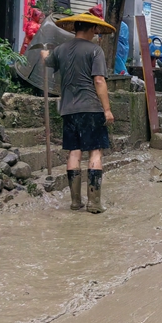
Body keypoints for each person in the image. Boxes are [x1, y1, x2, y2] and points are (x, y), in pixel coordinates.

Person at [42, 12, 116, 213]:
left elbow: (47, 60)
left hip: (68, 110)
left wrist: (44, 55)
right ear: (92, 29)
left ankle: (75, 201)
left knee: (74, 151)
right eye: (96, 29)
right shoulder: (95, 51)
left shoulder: (60, 50)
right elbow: (99, 80)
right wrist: (107, 110)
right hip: (91, 108)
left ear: (75, 28)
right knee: (95, 151)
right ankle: (94, 203)